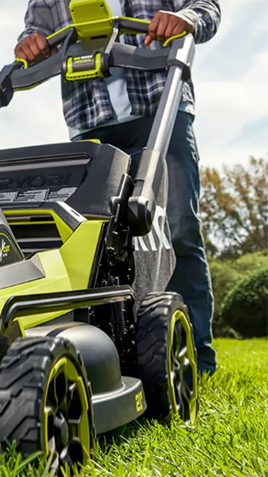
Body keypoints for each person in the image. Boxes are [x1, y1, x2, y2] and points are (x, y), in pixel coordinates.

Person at [15, 0, 221, 375]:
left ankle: (197, 361)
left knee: (176, 230)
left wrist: (186, 19)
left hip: (161, 104)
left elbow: (205, 7)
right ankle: (111, 355)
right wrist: (30, 43)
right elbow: (35, 31)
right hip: (91, 120)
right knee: (91, 241)